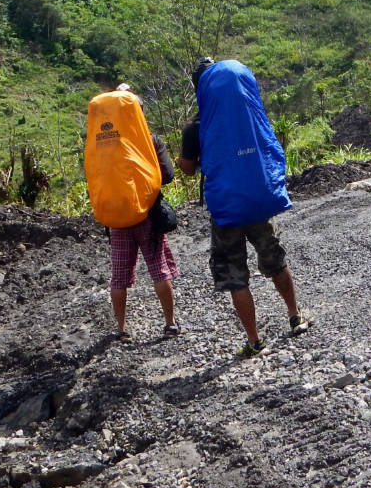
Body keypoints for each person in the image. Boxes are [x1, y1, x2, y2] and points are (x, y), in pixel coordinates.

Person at [178, 58, 310, 357]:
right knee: (275, 259)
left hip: (226, 209)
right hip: (258, 200)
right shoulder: (248, 113)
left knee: (235, 275)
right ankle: (295, 316)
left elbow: (186, 169)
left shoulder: (196, 127)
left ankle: (254, 341)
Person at [95, 84, 181, 342]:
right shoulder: (150, 141)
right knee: (158, 269)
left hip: (117, 217)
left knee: (119, 275)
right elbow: (166, 175)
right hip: (147, 214)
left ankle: (121, 329)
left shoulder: (105, 143)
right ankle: (170, 324)